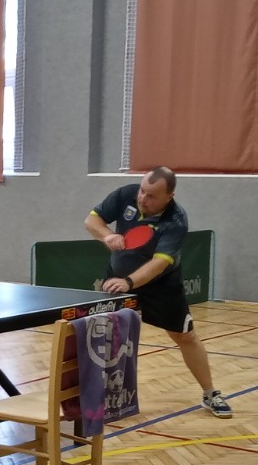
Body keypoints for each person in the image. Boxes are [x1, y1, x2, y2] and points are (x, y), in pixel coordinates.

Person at [85, 166, 233, 418]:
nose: (143, 198)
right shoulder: (126, 194)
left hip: (160, 284)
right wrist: (107, 235)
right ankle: (100, 398)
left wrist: (129, 282)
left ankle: (210, 394)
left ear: (169, 196)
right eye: (142, 191)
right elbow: (92, 221)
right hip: (117, 279)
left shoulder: (176, 219)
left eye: (152, 195)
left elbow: (159, 263)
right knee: (105, 336)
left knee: (185, 336)